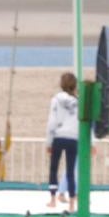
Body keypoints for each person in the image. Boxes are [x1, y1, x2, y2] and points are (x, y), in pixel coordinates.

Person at [44, 72, 79, 210]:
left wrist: (48, 142)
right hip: (73, 138)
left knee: (54, 169)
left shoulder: (56, 100)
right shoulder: (78, 101)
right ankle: (71, 202)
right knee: (70, 170)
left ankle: (53, 199)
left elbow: (52, 121)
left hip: (58, 136)